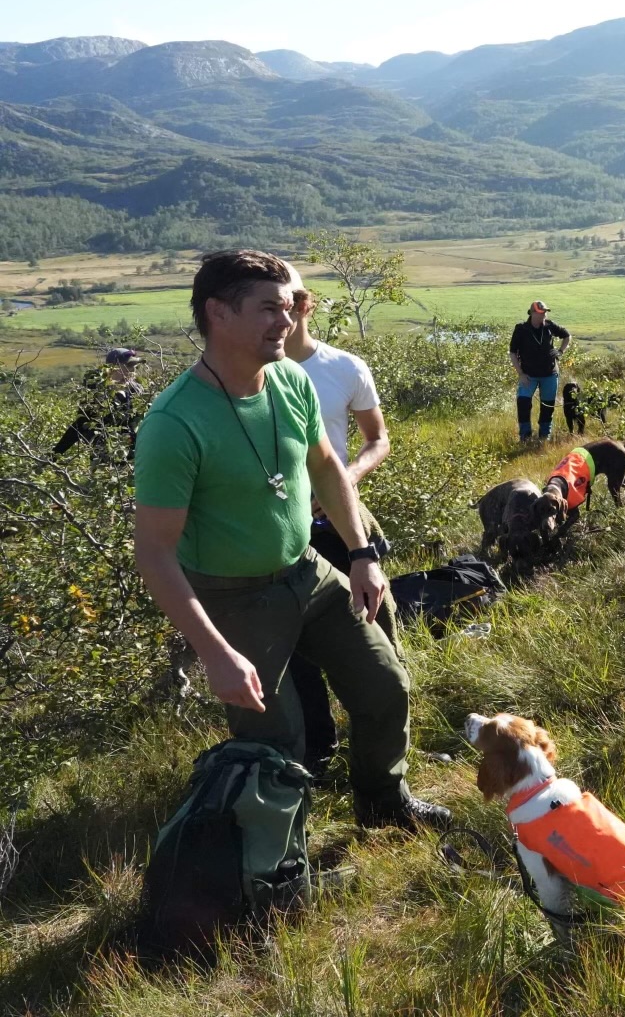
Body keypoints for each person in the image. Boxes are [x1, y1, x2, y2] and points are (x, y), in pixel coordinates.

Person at [132, 250, 448, 831]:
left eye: (288, 306)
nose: (286, 321)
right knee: (277, 741)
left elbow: (327, 469)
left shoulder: (289, 380)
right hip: (235, 597)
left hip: (307, 571)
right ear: (218, 314)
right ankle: (281, 860)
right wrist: (216, 653)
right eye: (268, 309)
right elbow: (153, 552)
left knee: (385, 686)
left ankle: (383, 803)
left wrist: (359, 554)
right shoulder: (175, 424)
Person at [282, 268, 396, 781]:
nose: (276, 318)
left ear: (306, 306)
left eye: (285, 305)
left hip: (339, 512)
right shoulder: (246, 373)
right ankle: (319, 751)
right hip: (281, 523)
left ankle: (383, 739)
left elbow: (378, 438)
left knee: (378, 618)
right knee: (295, 639)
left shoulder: (344, 367)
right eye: (262, 306)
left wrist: (343, 481)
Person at [53, 347, 146, 458]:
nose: (133, 372)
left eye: (134, 367)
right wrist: (55, 454)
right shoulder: (97, 395)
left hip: (133, 455)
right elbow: (80, 426)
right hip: (105, 459)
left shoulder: (135, 390)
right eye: (128, 366)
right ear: (112, 368)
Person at [508, 301, 570, 442]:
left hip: (550, 374)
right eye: (542, 312)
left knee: (547, 406)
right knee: (523, 404)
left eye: (545, 312)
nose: (544, 314)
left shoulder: (549, 325)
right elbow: (512, 353)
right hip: (528, 375)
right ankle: (525, 437)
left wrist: (560, 351)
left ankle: (544, 436)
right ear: (533, 313)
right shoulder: (521, 329)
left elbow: (567, 336)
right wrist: (521, 374)